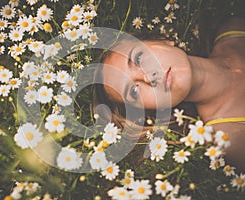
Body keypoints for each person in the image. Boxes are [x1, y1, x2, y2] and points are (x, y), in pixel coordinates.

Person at [93, 16, 245, 170]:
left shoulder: (234, 26)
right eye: (134, 91)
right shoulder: (229, 137)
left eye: (139, 58)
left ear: (162, 40)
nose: (147, 77)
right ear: (150, 109)